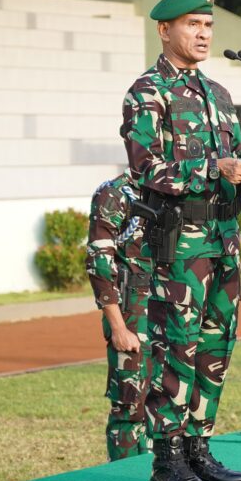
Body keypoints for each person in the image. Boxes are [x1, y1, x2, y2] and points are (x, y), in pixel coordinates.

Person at [121, 0, 241, 481]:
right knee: (177, 347)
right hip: (179, 244)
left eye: (208, 26)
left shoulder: (219, 95)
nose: (203, 34)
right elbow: (147, 169)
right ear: (165, 29)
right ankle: (166, 461)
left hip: (222, 240)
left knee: (216, 347)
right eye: (192, 26)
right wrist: (212, 168)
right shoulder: (147, 91)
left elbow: (234, 161)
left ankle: (199, 449)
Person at [85, 172, 153, 461]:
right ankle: (124, 474)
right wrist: (118, 326)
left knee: (161, 403)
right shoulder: (115, 193)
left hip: (167, 313)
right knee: (129, 404)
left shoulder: (172, 189)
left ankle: (157, 471)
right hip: (132, 311)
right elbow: (99, 261)